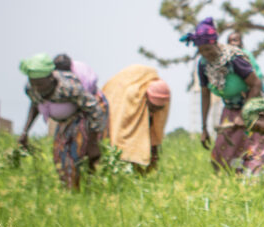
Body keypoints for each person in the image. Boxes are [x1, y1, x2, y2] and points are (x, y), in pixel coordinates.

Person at [181, 17, 264, 175]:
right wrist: (204, 128)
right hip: (230, 110)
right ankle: (228, 189)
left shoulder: (234, 59)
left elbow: (256, 84)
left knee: (251, 153)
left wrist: (243, 115)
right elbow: (205, 94)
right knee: (221, 154)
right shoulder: (203, 65)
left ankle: (251, 190)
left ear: (215, 43)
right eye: (201, 51)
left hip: (254, 108)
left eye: (208, 49)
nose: (206, 54)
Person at [18, 53, 109, 189]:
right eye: (33, 83)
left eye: (40, 83)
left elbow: (94, 109)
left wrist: (93, 142)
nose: (37, 87)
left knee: (77, 151)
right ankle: (69, 190)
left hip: (82, 114)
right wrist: (25, 132)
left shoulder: (69, 87)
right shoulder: (31, 89)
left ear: (50, 78)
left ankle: (88, 186)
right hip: (64, 121)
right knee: (60, 155)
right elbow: (36, 104)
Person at [101, 65, 171, 172]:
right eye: (153, 108)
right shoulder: (132, 98)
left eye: (158, 109)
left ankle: (145, 173)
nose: (155, 112)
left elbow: (154, 134)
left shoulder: (163, 94)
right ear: (146, 98)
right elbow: (124, 134)